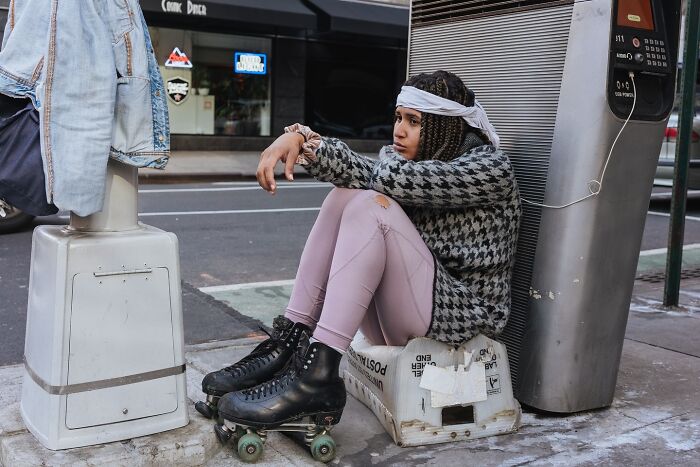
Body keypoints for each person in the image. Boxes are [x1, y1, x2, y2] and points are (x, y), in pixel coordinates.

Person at [195, 70, 521, 431]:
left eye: (414, 121)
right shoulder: (399, 162)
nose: (399, 130)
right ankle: (288, 346)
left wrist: (302, 140)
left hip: (459, 319)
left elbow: (382, 177)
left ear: (444, 127)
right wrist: (304, 141)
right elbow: (373, 175)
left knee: (368, 204)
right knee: (345, 196)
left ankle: (316, 379)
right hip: (408, 311)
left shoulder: (488, 170)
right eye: (398, 117)